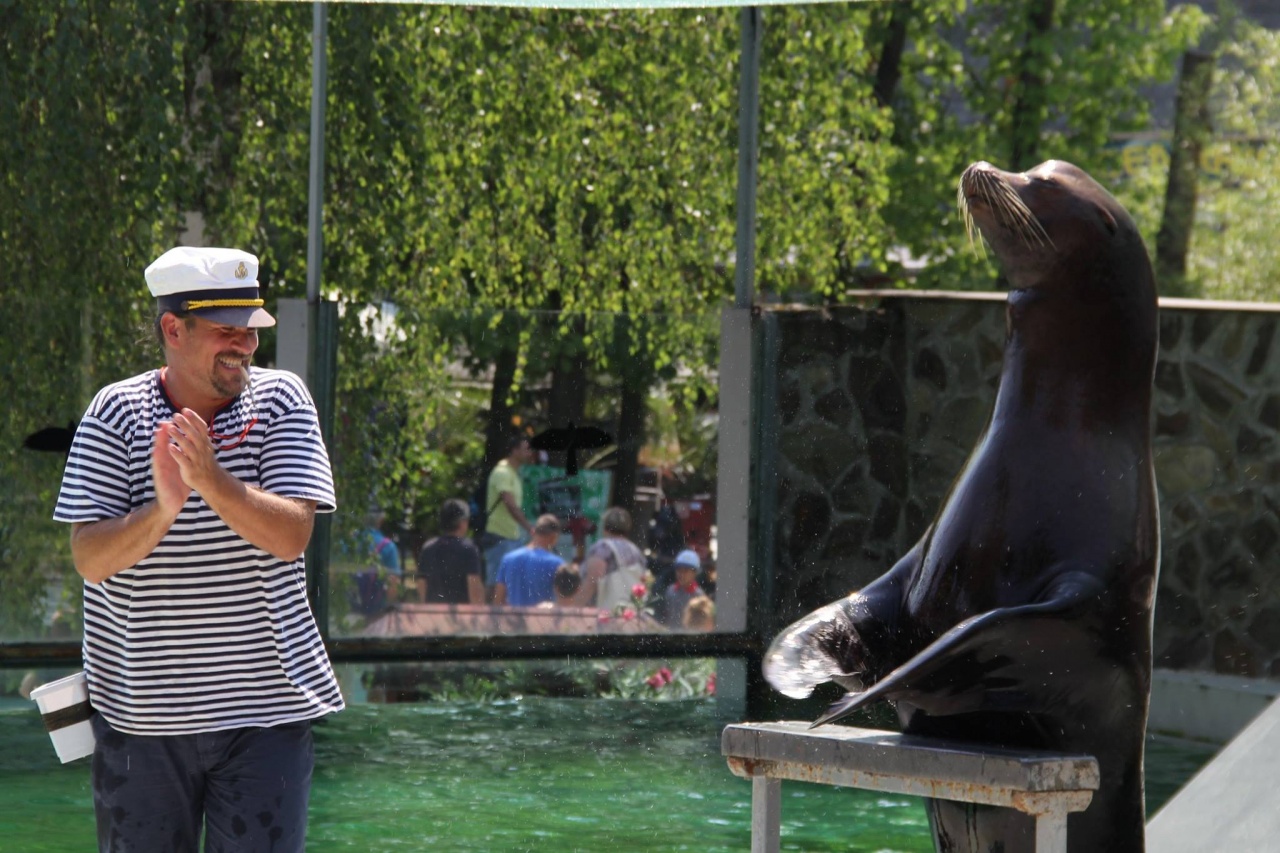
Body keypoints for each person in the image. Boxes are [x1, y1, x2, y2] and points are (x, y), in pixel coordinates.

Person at [52, 246, 343, 853]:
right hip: (139, 723)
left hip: (265, 719)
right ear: (173, 329)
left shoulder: (283, 400)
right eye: (226, 331)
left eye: (250, 330)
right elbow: (90, 559)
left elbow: (291, 536)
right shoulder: (115, 413)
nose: (244, 345)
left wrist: (211, 480)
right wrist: (163, 510)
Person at [483, 435, 534, 594]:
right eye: (526, 449)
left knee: (509, 585)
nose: (529, 453)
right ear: (514, 451)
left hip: (512, 537)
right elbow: (510, 504)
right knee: (494, 584)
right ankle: (488, 610)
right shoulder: (503, 472)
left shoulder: (514, 473)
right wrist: (529, 528)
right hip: (499, 536)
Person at [577, 506, 648, 611]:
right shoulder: (636, 551)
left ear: (604, 527)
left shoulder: (603, 548)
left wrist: (575, 607)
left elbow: (593, 579)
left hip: (605, 614)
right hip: (629, 615)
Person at [417, 498, 484, 604]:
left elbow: (422, 585)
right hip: (461, 612)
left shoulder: (428, 548)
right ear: (462, 522)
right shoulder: (468, 549)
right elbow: (474, 590)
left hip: (433, 611)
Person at [493, 514, 564, 606]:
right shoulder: (557, 563)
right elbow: (564, 601)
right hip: (543, 615)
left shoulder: (508, 559)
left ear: (533, 532)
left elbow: (498, 600)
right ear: (554, 537)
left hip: (514, 614)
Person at [663, 549, 706, 629]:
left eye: (686, 571)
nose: (681, 574)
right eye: (679, 570)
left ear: (695, 573)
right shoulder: (670, 591)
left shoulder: (699, 596)